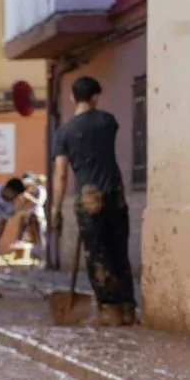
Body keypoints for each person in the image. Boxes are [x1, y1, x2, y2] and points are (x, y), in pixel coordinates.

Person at [51, 76, 136, 325]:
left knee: (98, 255)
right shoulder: (108, 121)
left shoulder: (64, 132)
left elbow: (61, 173)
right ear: (95, 97)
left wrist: (56, 209)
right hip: (116, 196)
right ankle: (128, 309)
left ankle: (110, 312)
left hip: (89, 199)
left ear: (71, 97)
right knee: (119, 252)